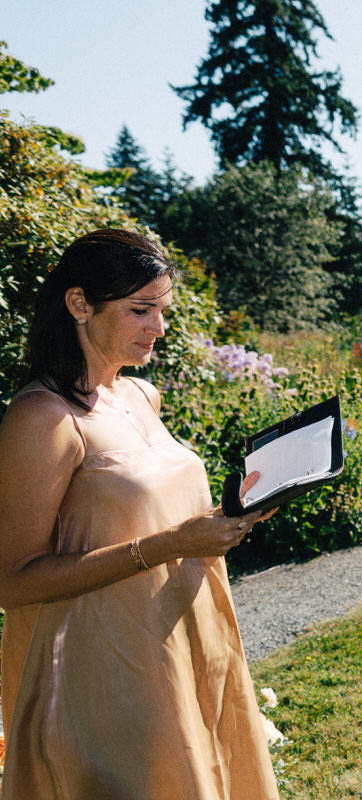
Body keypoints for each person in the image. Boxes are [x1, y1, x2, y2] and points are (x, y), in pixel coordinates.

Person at [0, 230, 277, 799]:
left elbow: (160, 513)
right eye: (141, 310)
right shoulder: (42, 419)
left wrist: (233, 514)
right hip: (99, 672)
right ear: (80, 305)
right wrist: (170, 543)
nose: (160, 328)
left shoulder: (141, 395)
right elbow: (13, 580)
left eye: (163, 310)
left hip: (179, 645)